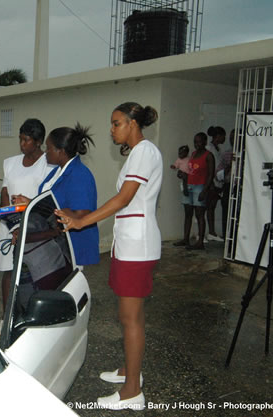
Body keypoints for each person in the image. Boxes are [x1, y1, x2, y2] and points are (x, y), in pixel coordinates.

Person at [55, 102, 162, 411]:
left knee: (130, 318)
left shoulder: (143, 152)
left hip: (137, 246)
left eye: (116, 123)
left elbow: (124, 198)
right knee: (131, 315)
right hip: (130, 244)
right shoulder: (140, 154)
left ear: (132, 123)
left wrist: (81, 221)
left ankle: (132, 392)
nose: (111, 129)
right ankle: (130, 371)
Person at [0, 118, 53, 335]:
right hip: (9, 224)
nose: (22, 143)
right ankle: (6, 315)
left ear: (38, 142)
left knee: (33, 271)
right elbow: (5, 191)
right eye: (20, 138)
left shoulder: (48, 164)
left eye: (27, 140)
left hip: (33, 225)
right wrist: (6, 215)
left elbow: (46, 198)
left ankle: (31, 316)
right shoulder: (10, 162)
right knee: (9, 271)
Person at [14, 123, 100, 267]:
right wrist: (30, 202)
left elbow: (81, 215)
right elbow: (52, 203)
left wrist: (39, 208)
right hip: (55, 247)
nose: (45, 152)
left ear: (61, 151)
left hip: (72, 248)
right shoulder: (57, 172)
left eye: (48, 148)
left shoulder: (79, 175)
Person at [174, 132, 215, 250]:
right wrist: (185, 183)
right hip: (189, 185)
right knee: (188, 213)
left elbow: (210, 175)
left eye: (199, 142)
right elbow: (189, 170)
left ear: (205, 142)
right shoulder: (193, 154)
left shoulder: (208, 156)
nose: (197, 144)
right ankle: (185, 238)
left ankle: (200, 242)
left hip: (200, 187)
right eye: (195, 142)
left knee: (199, 215)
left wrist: (205, 190)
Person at [205, 126, 226, 241]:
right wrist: (211, 183)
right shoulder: (209, 148)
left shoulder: (219, 149)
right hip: (212, 182)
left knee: (212, 207)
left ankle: (212, 232)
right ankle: (209, 232)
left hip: (218, 181)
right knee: (209, 207)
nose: (224, 138)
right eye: (223, 136)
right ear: (218, 136)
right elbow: (209, 167)